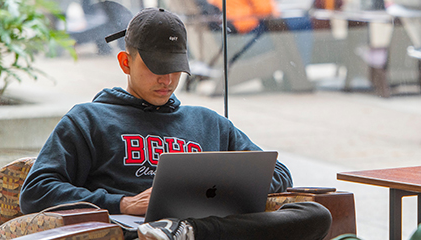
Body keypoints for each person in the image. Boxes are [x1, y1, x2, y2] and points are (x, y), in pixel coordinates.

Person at [20, 7, 332, 240]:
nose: (167, 79)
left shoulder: (209, 122)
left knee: (315, 214)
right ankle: (179, 231)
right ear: (125, 62)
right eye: (156, 68)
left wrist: (232, 191)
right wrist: (123, 203)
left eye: (175, 68)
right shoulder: (88, 120)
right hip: (137, 233)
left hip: (209, 228)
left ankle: (187, 231)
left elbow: (278, 173)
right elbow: (36, 190)